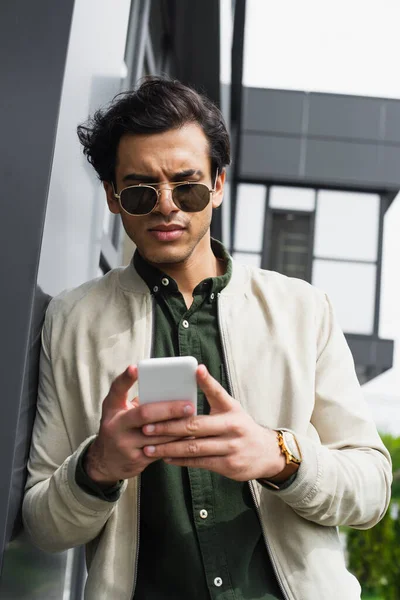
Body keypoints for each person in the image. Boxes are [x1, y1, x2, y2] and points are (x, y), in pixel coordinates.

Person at [23, 77, 392, 600]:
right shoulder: (71, 322)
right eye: (140, 190)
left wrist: (279, 455)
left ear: (217, 184)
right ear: (111, 196)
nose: (167, 205)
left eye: (187, 185)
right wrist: (98, 466)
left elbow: (372, 490)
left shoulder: (303, 309)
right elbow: (44, 525)